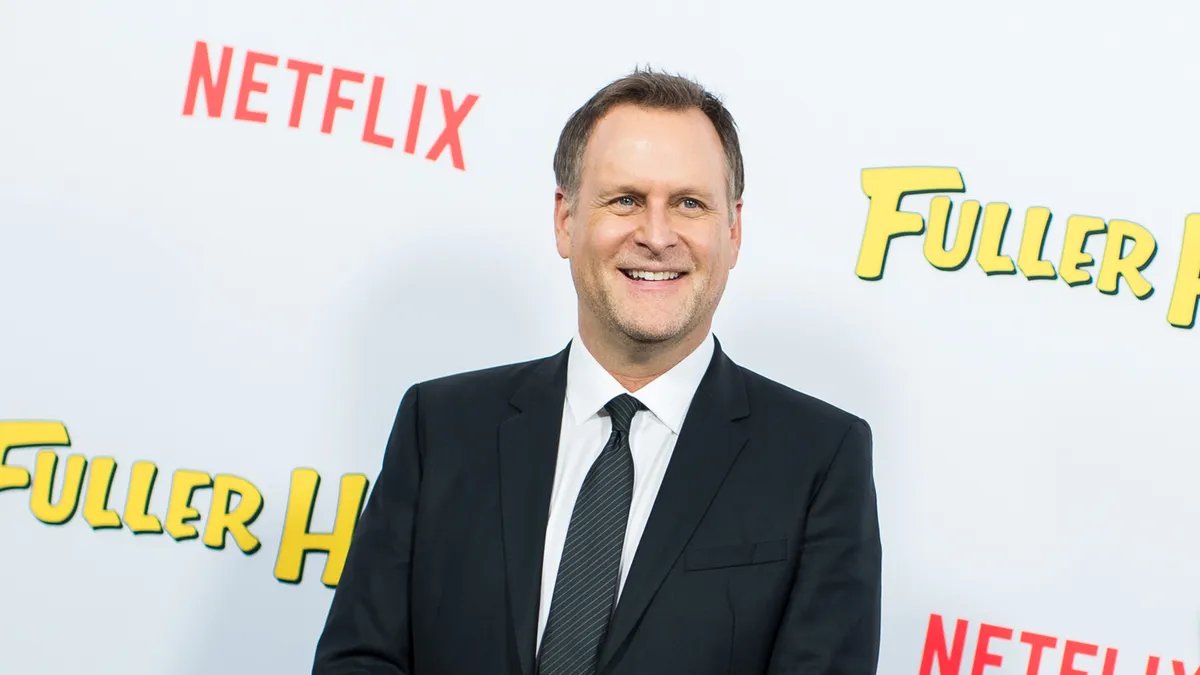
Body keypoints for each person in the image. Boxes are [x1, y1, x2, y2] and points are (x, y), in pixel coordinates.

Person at [312, 69, 881, 675]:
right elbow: (360, 661)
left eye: (689, 204)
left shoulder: (819, 458)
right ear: (565, 220)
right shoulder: (441, 428)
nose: (657, 236)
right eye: (625, 200)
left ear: (733, 231)